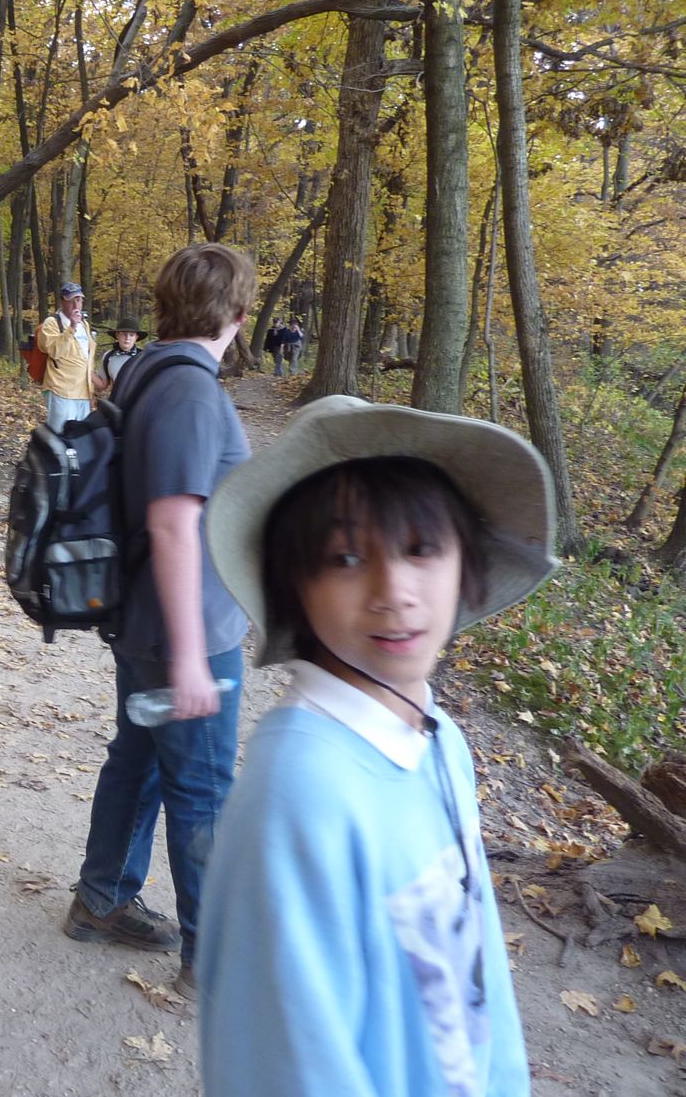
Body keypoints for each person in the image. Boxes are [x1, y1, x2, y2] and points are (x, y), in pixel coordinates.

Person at [196, 396, 557, 1095]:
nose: (394, 592)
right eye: (346, 558)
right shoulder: (299, 794)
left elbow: (481, 976)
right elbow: (283, 1059)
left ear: (466, 562)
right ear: (293, 585)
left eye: (422, 549)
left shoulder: (438, 738)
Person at [63, 242, 256, 997]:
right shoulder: (190, 391)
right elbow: (176, 523)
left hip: (142, 619)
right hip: (185, 635)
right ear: (238, 315)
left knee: (140, 759)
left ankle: (102, 899)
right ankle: (211, 965)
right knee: (203, 789)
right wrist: (187, 657)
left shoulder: (142, 369)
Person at [36, 281, 97, 432]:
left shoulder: (85, 325)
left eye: (79, 300)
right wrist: (71, 328)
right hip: (61, 389)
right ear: (63, 301)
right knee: (59, 434)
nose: (76, 305)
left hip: (84, 391)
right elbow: (55, 351)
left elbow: (87, 355)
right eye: (71, 300)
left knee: (80, 436)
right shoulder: (52, 323)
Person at [92, 316, 146, 396]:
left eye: (131, 335)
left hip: (139, 402)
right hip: (117, 401)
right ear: (117, 335)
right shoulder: (109, 357)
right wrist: (86, 369)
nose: (127, 338)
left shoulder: (144, 357)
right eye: (124, 334)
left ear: (136, 337)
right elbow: (103, 385)